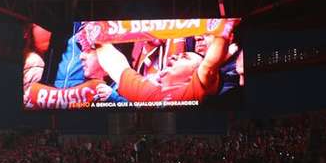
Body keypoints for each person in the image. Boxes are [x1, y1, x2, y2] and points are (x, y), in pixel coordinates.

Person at [94, 33, 232, 103]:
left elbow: (209, 67)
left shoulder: (192, 93)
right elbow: (116, 66)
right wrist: (95, 36)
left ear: (194, 76)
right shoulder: (150, 93)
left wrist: (224, 33)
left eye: (184, 57)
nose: (174, 57)